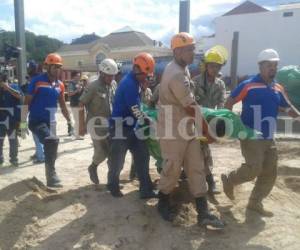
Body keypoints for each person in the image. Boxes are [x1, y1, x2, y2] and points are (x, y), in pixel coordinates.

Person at [156, 32, 224, 229]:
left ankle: (203, 211)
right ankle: (162, 202)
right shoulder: (176, 73)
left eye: (193, 48)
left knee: (197, 166)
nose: (193, 52)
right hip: (173, 130)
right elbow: (191, 106)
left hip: (186, 127)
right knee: (173, 168)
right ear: (177, 51)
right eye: (189, 49)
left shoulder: (182, 69)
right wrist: (207, 132)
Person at [221, 49, 300, 216]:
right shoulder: (248, 85)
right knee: (254, 168)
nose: (273, 68)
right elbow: (229, 102)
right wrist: (232, 124)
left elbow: (288, 107)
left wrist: (298, 116)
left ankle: (254, 203)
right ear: (260, 66)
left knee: (270, 171)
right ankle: (229, 179)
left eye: (275, 65)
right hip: (250, 135)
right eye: (269, 65)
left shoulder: (278, 88)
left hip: (269, 136)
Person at [107, 52, 157, 199]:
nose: (146, 77)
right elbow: (135, 109)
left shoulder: (135, 82)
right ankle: (112, 185)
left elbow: (138, 107)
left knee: (143, 156)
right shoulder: (129, 84)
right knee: (117, 160)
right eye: (145, 74)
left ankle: (145, 189)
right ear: (137, 70)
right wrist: (148, 120)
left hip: (132, 127)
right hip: (120, 127)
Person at [23, 53, 72, 188]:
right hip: (36, 121)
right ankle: (51, 176)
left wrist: (69, 122)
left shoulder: (60, 85)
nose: (57, 70)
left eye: (59, 67)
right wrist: (22, 123)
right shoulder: (37, 81)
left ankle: (51, 172)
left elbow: (62, 105)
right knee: (52, 141)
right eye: (54, 67)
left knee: (53, 147)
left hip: (49, 122)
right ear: (47, 67)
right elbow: (26, 102)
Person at [192, 48, 227, 194]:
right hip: (194, 122)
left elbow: (221, 104)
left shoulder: (220, 85)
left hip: (209, 123)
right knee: (198, 151)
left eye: (217, 66)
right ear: (206, 66)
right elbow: (189, 103)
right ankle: (209, 180)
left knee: (203, 150)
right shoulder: (195, 82)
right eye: (212, 65)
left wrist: (219, 120)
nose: (214, 69)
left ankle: (209, 180)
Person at [79, 59, 118, 185]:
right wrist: (81, 125)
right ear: (101, 73)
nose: (111, 78)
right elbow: (81, 104)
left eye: (113, 75)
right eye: (108, 75)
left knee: (113, 152)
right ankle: (93, 167)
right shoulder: (93, 86)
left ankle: (112, 180)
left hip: (110, 124)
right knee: (102, 151)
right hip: (95, 125)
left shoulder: (113, 84)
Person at [0, 80, 23, 167]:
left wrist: (8, 88)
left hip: (12, 120)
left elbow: (19, 96)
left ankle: (13, 159)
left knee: (13, 141)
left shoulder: (14, 86)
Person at [68, 72, 84, 139]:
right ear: (73, 76)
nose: (79, 77)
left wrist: (81, 89)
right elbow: (69, 94)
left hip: (79, 104)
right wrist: (77, 90)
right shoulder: (71, 84)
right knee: (77, 120)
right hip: (74, 104)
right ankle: (76, 135)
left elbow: (79, 93)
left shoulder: (78, 83)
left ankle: (76, 133)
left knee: (79, 120)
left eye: (79, 76)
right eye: (77, 76)